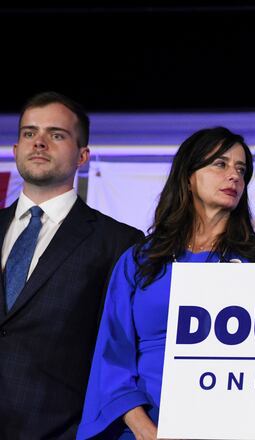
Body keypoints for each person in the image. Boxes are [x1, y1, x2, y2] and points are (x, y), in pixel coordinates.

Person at [77, 127, 255, 439]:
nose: (234, 176)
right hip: (141, 426)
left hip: (224, 424)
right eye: (221, 164)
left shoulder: (253, 263)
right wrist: (145, 429)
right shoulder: (140, 261)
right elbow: (112, 354)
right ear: (188, 176)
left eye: (241, 170)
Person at [0, 92, 143, 439]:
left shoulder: (118, 242)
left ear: (82, 155)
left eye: (56, 134)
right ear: (16, 149)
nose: (39, 143)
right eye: (29, 133)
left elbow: (120, 351)